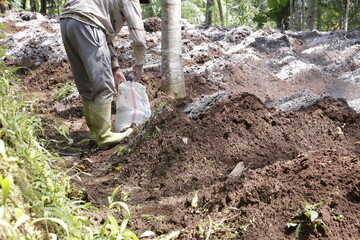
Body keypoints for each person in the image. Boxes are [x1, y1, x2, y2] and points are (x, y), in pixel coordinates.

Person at [60, 0, 146, 148]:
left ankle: (95, 132)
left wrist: (116, 68)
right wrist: (139, 62)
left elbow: (104, 37)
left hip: (67, 22)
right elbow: (138, 34)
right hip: (88, 22)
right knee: (103, 83)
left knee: (86, 82)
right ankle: (104, 135)